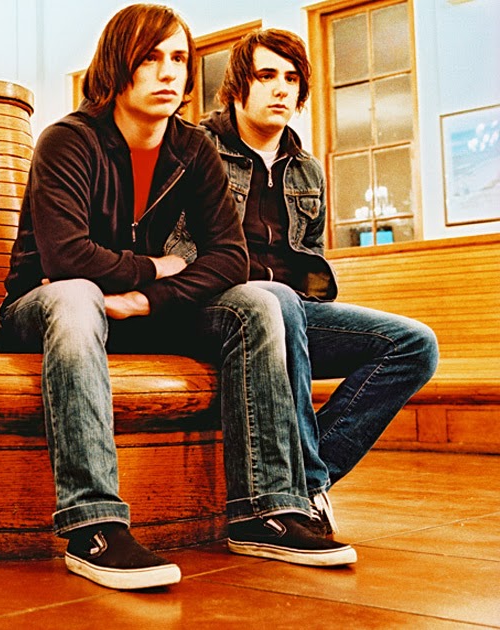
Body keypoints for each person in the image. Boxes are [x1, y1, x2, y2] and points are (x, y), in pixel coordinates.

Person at [1, 3, 354, 590]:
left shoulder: (192, 149)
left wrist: (146, 299)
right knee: (76, 294)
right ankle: (94, 526)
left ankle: (265, 510)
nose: (168, 72)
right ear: (117, 65)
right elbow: (66, 258)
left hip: (138, 309)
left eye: (179, 59)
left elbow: (229, 257)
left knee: (260, 303)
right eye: (150, 58)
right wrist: (153, 268)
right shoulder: (67, 140)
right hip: (44, 307)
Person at [188, 28, 438, 557]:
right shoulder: (197, 149)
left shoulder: (306, 170)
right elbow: (180, 249)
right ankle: (292, 498)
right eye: (266, 76)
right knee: (274, 301)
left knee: (415, 344)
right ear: (237, 86)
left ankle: (302, 484)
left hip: (292, 312)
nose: (281, 88)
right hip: (215, 309)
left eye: (291, 78)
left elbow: (311, 260)